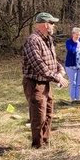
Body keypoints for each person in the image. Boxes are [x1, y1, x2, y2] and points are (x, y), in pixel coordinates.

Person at [22, 12, 67, 148]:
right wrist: (57, 77)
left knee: (48, 113)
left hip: (45, 83)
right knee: (38, 116)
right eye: (52, 23)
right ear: (45, 24)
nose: (54, 26)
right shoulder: (32, 41)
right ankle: (37, 146)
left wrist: (60, 68)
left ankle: (46, 141)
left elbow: (51, 60)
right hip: (35, 84)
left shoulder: (48, 40)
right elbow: (39, 65)